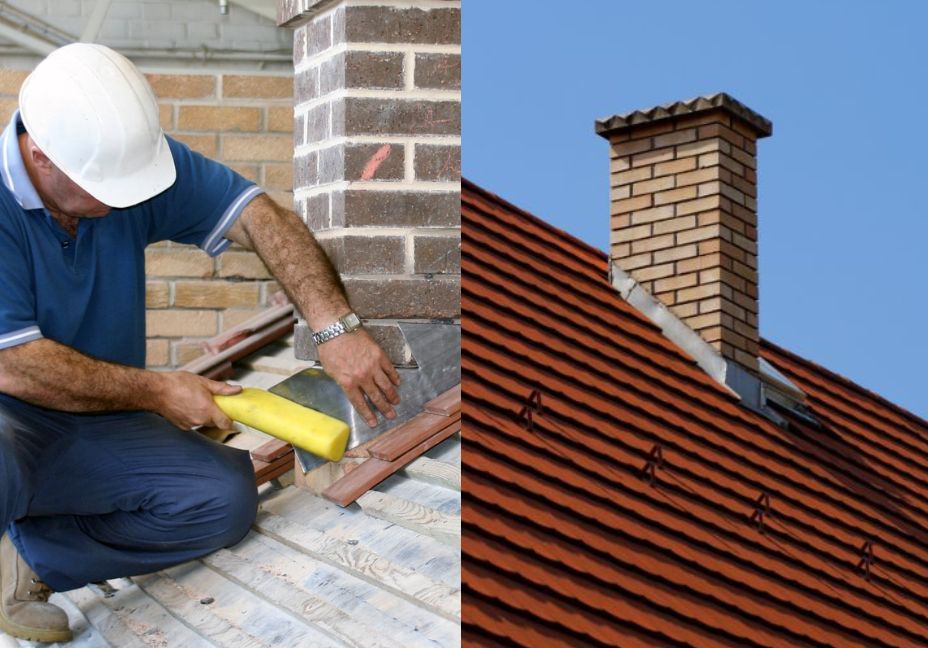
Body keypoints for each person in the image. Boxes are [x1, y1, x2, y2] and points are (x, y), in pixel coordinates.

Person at [0, 43, 400, 642]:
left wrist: (334, 326)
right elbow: (15, 367)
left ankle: (35, 556)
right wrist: (159, 390)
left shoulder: (121, 169)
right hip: (10, 413)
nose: (121, 205)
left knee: (222, 500)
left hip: (99, 414)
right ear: (41, 156)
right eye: (102, 191)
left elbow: (260, 217)